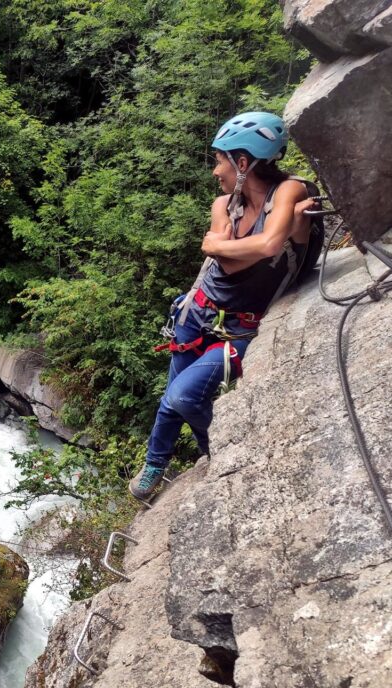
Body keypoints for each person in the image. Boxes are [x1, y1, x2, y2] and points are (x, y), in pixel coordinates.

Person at [129, 111, 315, 500]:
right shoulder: (223, 205)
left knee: (183, 395)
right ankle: (157, 463)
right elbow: (233, 255)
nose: (217, 171)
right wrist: (254, 246)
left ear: (243, 162)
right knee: (170, 398)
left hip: (242, 327)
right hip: (196, 313)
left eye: (220, 160)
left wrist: (237, 246)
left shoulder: (291, 193)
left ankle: (219, 450)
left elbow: (256, 247)